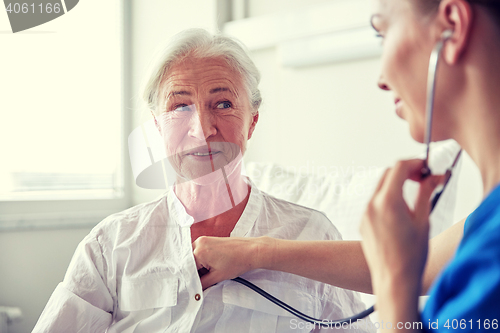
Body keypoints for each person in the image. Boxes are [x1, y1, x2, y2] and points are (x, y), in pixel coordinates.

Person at [32, 29, 373, 333]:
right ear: (157, 125)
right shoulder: (110, 246)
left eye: (223, 103)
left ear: (252, 122)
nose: (202, 130)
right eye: (180, 107)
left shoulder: (310, 234)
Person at [192, 0, 500, 331]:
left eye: (382, 33)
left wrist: (395, 291)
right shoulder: (487, 226)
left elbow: (402, 273)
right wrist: (255, 251)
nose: (381, 78)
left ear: (451, 26)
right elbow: (422, 265)